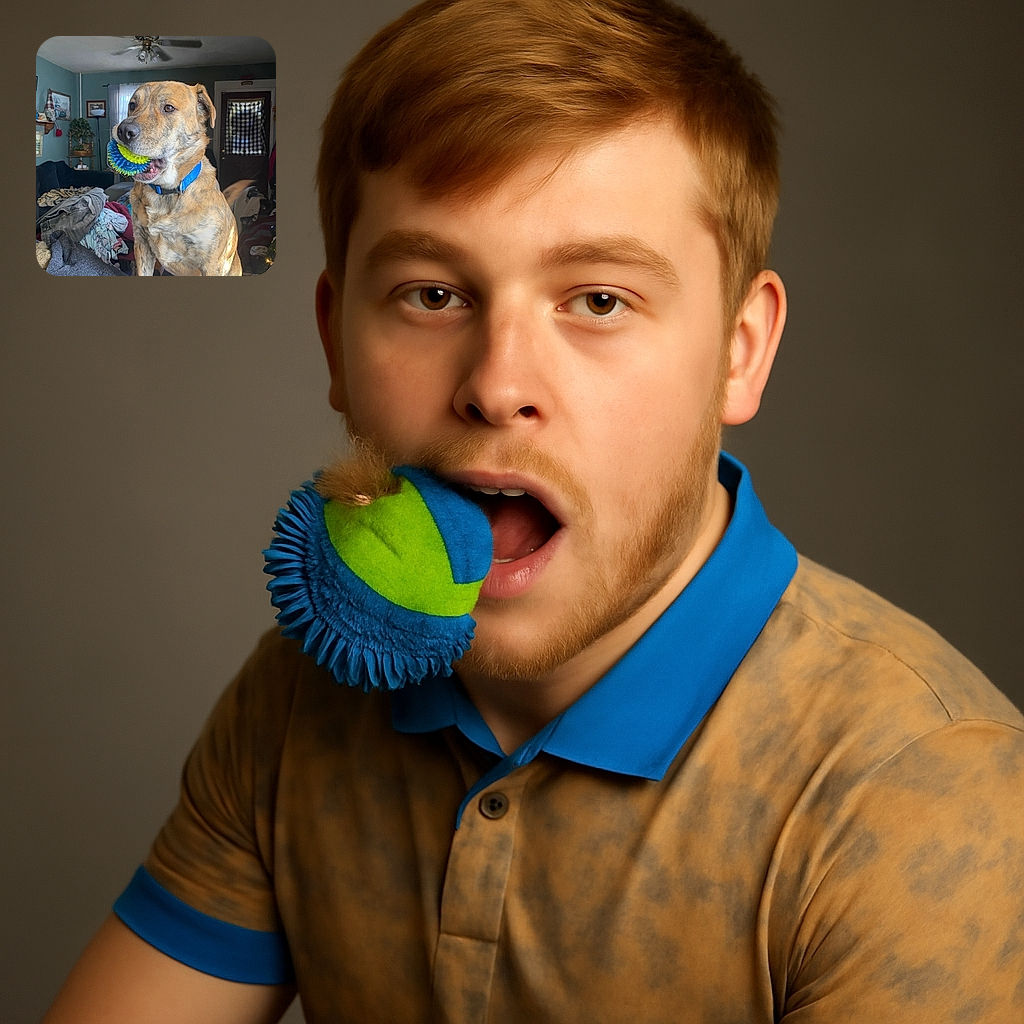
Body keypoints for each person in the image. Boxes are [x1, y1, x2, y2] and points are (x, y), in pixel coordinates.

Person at [44, 1, 1024, 1021]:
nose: (497, 383)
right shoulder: (303, 699)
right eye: (431, 294)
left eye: (598, 299)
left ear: (740, 351)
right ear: (336, 343)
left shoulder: (925, 797)